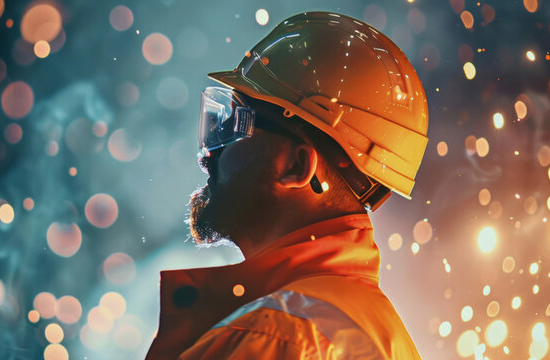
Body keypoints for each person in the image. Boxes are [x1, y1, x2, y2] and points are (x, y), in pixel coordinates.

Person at [146, 12, 428, 359]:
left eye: (238, 122)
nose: (210, 151)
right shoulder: (372, 332)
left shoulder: (274, 339)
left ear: (297, 165)